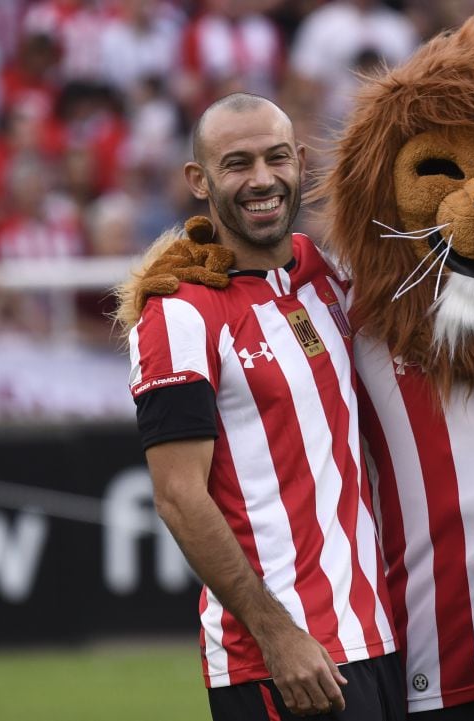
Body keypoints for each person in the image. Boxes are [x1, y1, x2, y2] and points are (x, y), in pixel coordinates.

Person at [118, 93, 403, 721]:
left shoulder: (324, 272)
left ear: (300, 161)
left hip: (380, 637)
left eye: (276, 158)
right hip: (284, 658)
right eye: (237, 164)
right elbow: (178, 496)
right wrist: (276, 634)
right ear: (199, 180)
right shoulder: (181, 311)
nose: (262, 180)